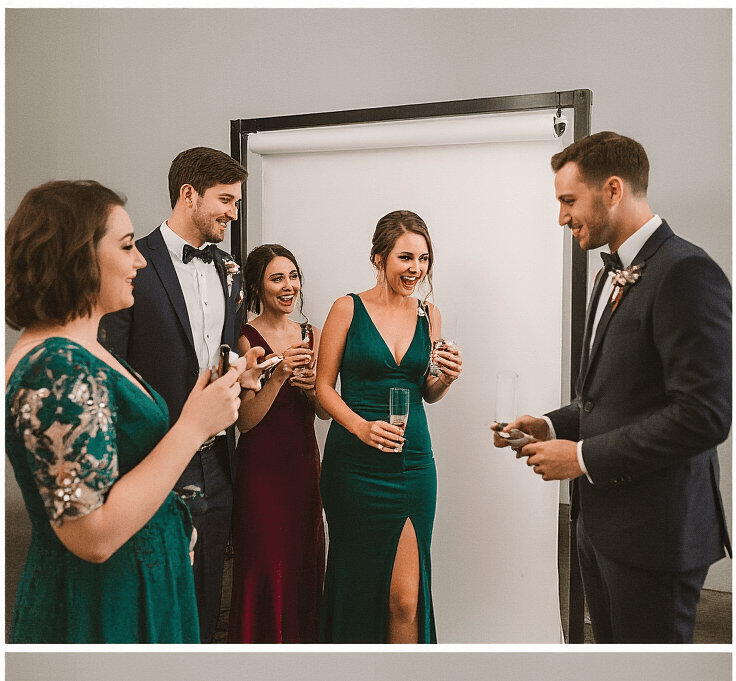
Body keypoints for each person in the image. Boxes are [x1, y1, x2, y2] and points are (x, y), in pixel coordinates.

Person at [493, 131, 731, 644]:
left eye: (568, 200)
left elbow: (705, 415)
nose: (562, 217)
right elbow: (609, 398)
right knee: (611, 678)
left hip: (656, 537)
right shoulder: (609, 275)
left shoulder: (686, 272)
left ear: (613, 190)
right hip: (599, 529)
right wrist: (550, 424)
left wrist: (581, 458)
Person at [5, 179, 252, 644]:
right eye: (125, 246)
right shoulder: (55, 368)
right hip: (100, 607)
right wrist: (194, 425)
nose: (139, 259)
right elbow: (92, 535)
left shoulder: (86, 350)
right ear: (77, 258)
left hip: (141, 588)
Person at [100, 148, 263, 642]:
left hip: (219, 464)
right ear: (189, 195)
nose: (234, 213)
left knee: (207, 606)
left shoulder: (230, 270)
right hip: (156, 460)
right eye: (226, 200)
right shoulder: (133, 264)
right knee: (158, 606)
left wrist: (242, 373)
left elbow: (218, 355)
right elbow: (113, 370)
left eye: (236, 203)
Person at [316, 211, 463, 644]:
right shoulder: (347, 308)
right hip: (353, 466)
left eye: (423, 258)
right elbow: (323, 389)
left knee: (405, 600)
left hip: (412, 465)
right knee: (356, 588)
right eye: (406, 257)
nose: (416, 268)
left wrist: (446, 378)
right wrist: (361, 428)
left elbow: (428, 391)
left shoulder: (429, 315)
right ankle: (353, 678)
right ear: (378, 258)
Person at [228, 244, 329, 642]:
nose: (289, 286)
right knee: (264, 568)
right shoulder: (245, 339)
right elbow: (245, 422)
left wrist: (312, 390)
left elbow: (323, 412)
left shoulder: (311, 335)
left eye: (293, 276)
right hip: (261, 475)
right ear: (257, 286)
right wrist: (280, 374)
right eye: (277, 278)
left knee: (304, 569)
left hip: (303, 470)